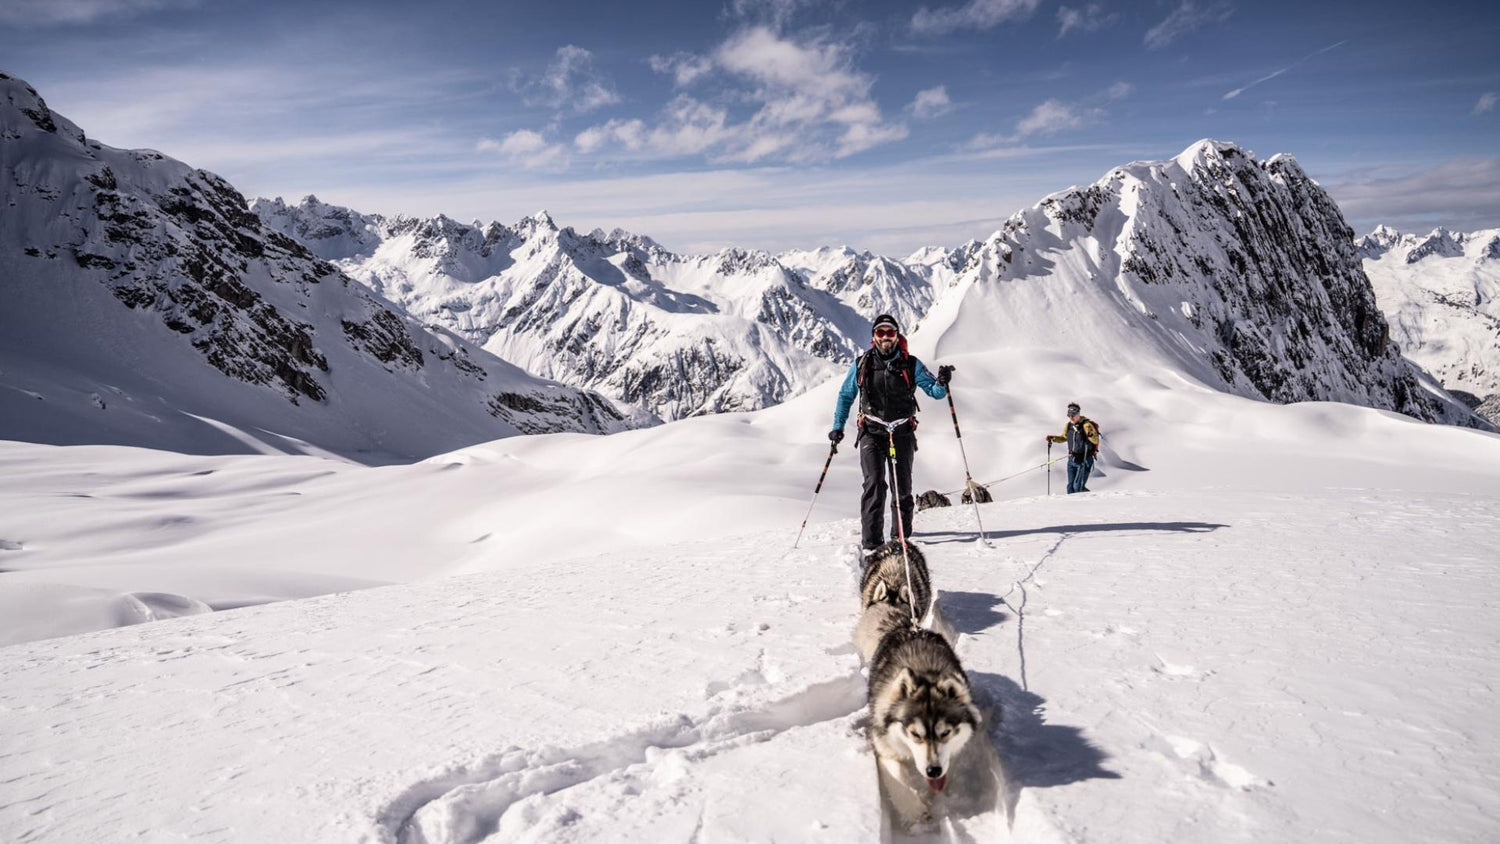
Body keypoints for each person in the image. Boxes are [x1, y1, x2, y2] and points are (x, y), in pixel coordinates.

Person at [829, 314, 952, 551]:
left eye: (890, 332)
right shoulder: (862, 364)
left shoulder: (911, 364)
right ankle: (872, 544)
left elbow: (934, 392)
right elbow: (846, 396)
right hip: (871, 432)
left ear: (897, 336)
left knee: (902, 488)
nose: (886, 337)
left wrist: (942, 382)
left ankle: (900, 539)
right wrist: (837, 427)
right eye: (881, 332)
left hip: (902, 432)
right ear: (874, 337)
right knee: (874, 484)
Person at [1046, 402, 1100, 494]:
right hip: (1071, 461)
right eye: (1069, 415)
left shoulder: (1086, 425)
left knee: (1077, 488)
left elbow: (1096, 440)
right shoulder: (1068, 426)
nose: (1071, 417)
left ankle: (1092, 500)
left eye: (1073, 415)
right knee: (1070, 489)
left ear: (1078, 414)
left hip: (1084, 460)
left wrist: (1090, 435)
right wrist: (1054, 438)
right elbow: (1064, 437)